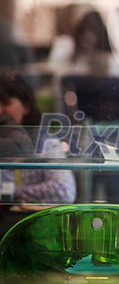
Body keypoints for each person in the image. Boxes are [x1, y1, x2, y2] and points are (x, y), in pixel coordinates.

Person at [0, 74, 76, 205]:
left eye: (6, 103)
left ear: (26, 107)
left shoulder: (46, 144)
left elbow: (64, 191)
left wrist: (10, 192)